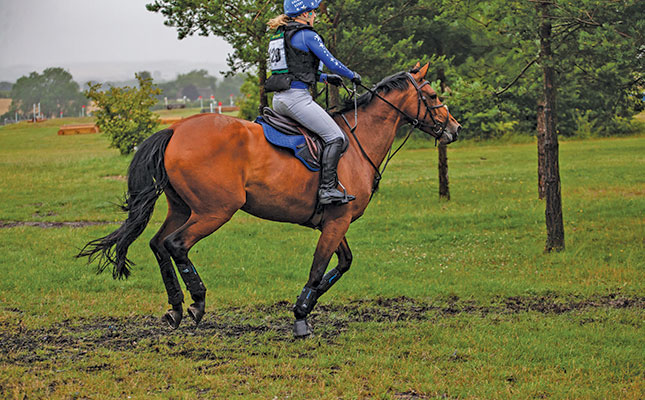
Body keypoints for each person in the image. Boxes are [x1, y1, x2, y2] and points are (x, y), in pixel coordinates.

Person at [265, 0, 361, 205]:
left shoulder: (280, 34)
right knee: (336, 136)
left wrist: (325, 79)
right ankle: (327, 190)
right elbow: (333, 63)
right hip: (296, 100)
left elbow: (295, 69)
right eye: (313, 12)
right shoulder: (307, 35)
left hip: (279, 100)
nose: (315, 15)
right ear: (304, 14)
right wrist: (352, 75)